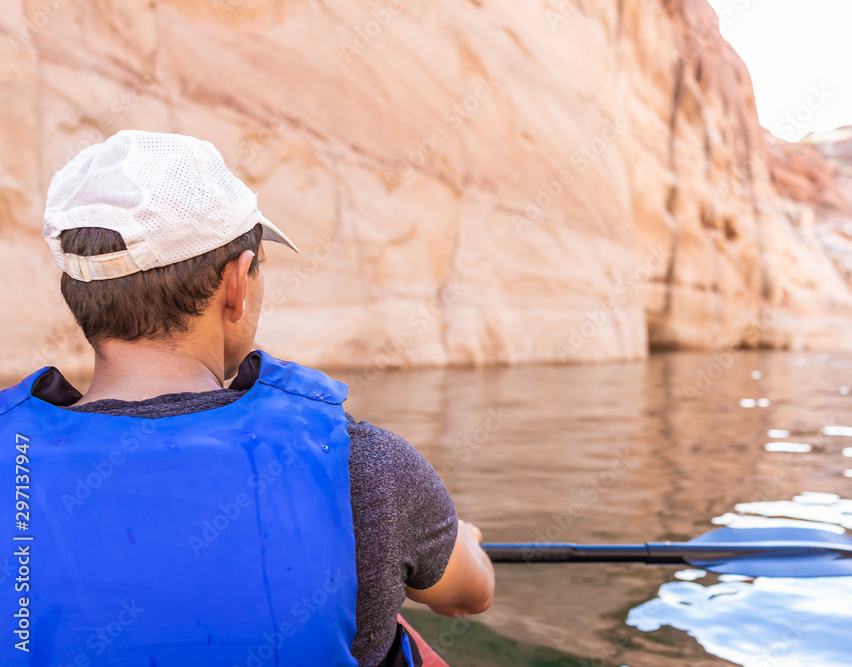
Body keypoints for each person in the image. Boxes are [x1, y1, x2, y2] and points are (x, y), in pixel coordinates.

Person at [0, 130, 494, 666]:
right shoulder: (365, 466)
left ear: (77, 293)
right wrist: (458, 540)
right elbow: (471, 594)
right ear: (237, 283)